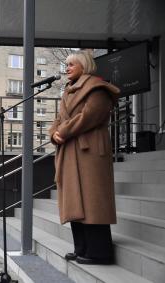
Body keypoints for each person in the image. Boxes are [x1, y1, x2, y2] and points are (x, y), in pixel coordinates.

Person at [49, 50, 119, 265]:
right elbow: (58, 118)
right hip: (70, 150)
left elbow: (89, 117)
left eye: (71, 64)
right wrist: (53, 133)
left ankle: (99, 252)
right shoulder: (68, 91)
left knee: (92, 201)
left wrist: (64, 132)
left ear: (84, 65)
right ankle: (82, 249)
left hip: (89, 153)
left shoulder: (98, 88)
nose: (67, 68)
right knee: (75, 202)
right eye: (66, 65)